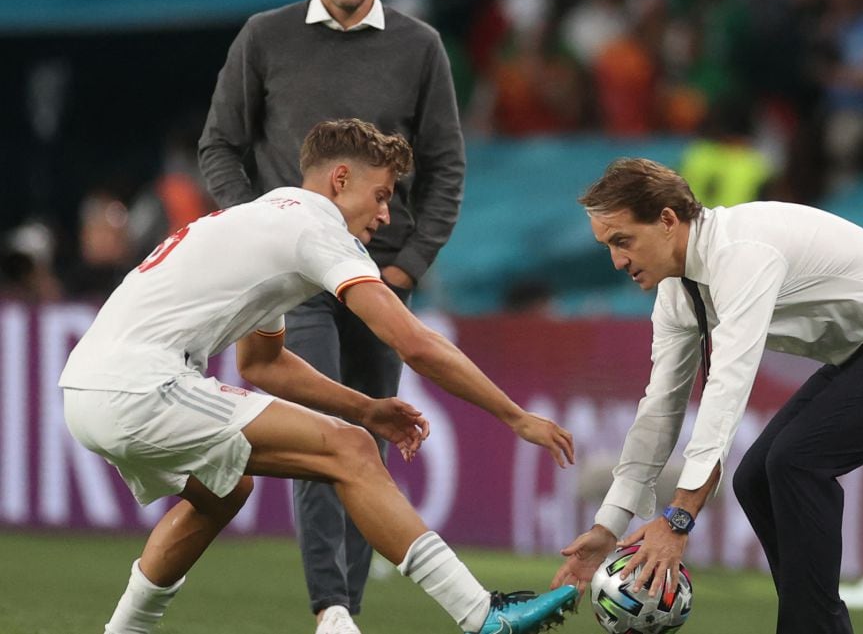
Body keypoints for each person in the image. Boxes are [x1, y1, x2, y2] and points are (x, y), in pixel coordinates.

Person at [61, 119, 578, 634]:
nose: (384, 214)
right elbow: (414, 342)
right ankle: (485, 617)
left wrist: (367, 408)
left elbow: (262, 364)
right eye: (380, 195)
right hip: (140, 385)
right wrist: (515, 416)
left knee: (225, 489)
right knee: (349, 450)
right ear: (339, 179)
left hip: (89, 388)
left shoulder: (262, 220)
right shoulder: (315, 229)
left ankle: (124, 630)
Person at [551, 158, 863, 634]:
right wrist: (609, 527)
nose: (617, 260)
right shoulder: (678, 291)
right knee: (755, 477)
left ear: (668, 220)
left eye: (622, 240)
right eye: (608, 245)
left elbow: (728, 386)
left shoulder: (742, 252)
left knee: (795, 462)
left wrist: (678, 521)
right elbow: (660, 409)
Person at [196, 0, 466, 633]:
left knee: (368, 443)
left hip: (381, 275)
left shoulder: (420, 47)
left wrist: (408, 265)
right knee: (322, 435)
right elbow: (219, 146)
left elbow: (446, 166)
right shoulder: (265, 37)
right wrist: (264, 229)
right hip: (293, 278)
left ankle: (348, 610)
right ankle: (333, 607)